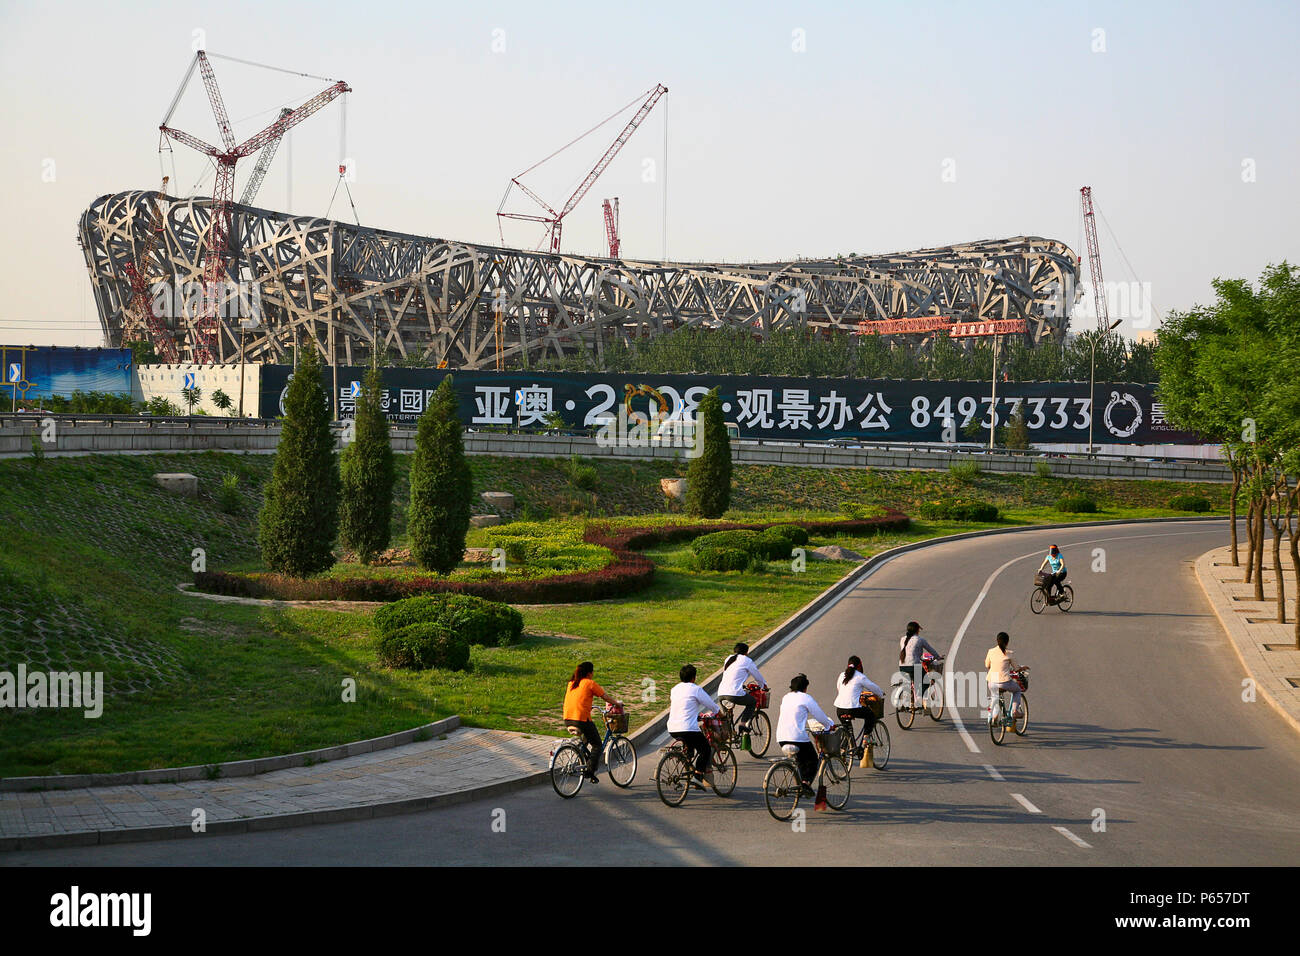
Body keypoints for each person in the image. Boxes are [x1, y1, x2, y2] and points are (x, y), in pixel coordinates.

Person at [776, 673, 838, 794]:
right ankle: (805, 783)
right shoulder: (806, 698)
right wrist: (828, 726)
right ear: (805, 688)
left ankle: (800, 783)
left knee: (801, 759)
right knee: (813, 760)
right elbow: (819, 715)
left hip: (781, 737)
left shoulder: (786, 697)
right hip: (796, 737)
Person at [562, 661, 621, 783]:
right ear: (590, 673)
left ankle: (585, 760)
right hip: (581, 720)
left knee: (587, 738)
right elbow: (605, 697)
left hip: (568, 719)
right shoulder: (590, 683)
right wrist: (616, 703)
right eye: (593, 672)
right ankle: (589, 771)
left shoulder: (572, 683)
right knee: (597, 745)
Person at [668, 664, 721, 789]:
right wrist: (721, 715)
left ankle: (688, 760)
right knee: (705, 749)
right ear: (694, 678)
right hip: (688, 729)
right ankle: (697, 777)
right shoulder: (695, 689)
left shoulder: (674, 689)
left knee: (690, 746)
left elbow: (683, 706)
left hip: (672, 728)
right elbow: (712, 705)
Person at [834, 656, 885, 754]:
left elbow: (839, 689)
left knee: (847, 729)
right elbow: (873, 687)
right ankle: (866, 738)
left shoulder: (842, 675)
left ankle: (844, 751)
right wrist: (881, 693)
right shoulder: (860, 676)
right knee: (870, 715)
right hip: (852, 708)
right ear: (859, 666)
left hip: (840, 709)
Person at [717, 642, 767, 735]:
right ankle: (743, 724)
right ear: (746, 652)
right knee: (752, 702)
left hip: (721, 693)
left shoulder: (729, 659)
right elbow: (757, 676)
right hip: (734, 693)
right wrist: (764, 685)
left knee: (728, 716)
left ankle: (729, 735)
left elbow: (732, 675)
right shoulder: (746, 660)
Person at [898, 621, 943, 710]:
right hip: (913, 665)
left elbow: (910, 651)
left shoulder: (903, 639)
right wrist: (938, 657)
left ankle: (907, 700)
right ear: (917, 630)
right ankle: (918, 701)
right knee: (925, 681)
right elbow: (930, 650)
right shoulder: (920, 640)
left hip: (902, 666)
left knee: (911, 682)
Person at [984, 631, 1025, 718]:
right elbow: (1016, 668)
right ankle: (1014, 711)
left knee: (995, 696)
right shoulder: (1009, 653)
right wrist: (1023, 668)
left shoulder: (991, 651)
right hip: (1004, 682)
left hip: (991, 682)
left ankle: (994, 716)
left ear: (997, 641)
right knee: (1017, 690)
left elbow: (987, 665)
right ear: (1007, 642)